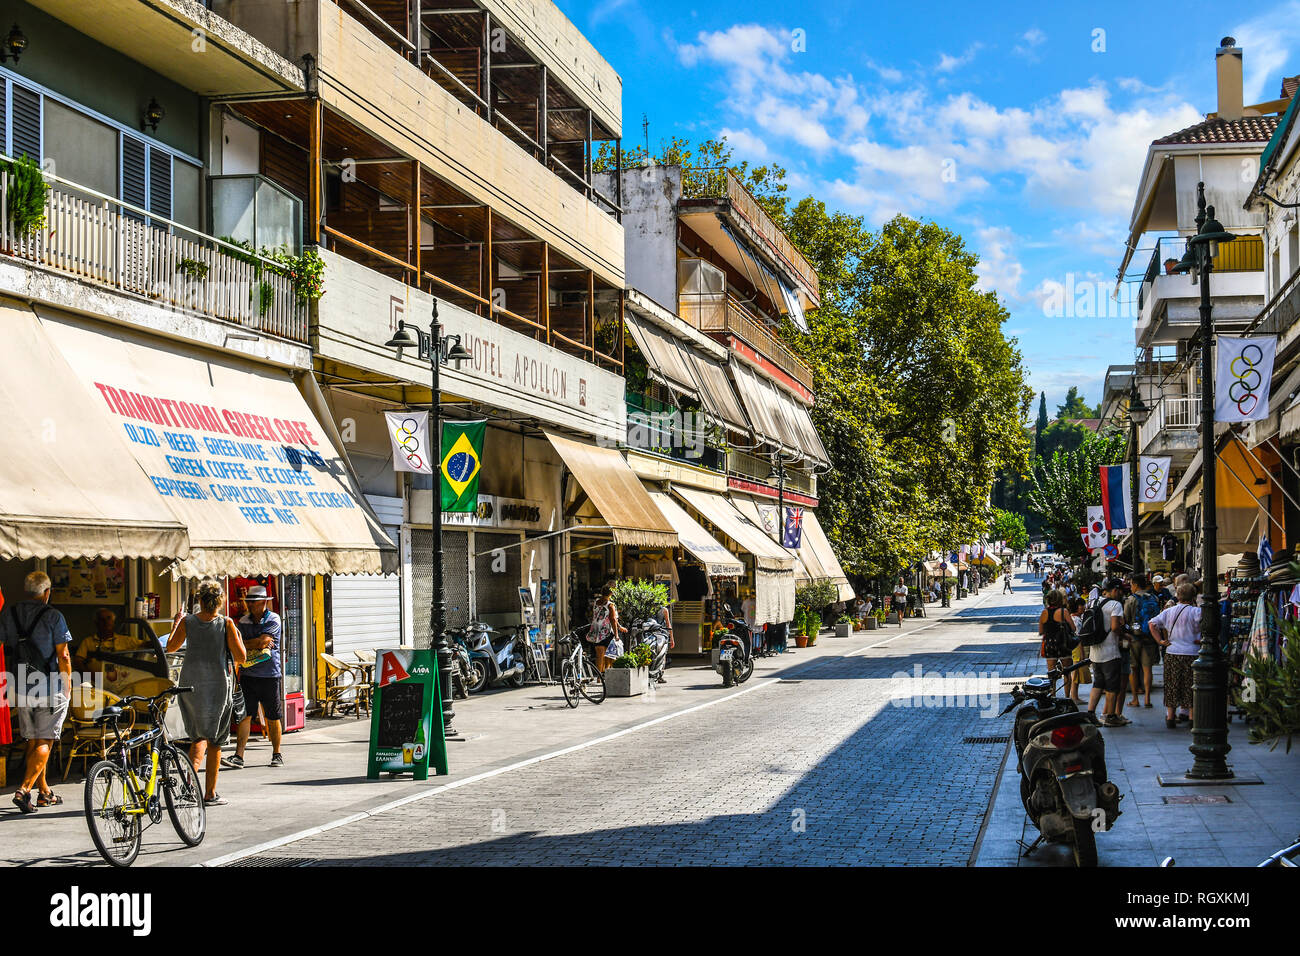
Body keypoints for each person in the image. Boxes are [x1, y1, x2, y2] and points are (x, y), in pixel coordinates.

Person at [167, 580, 246, 806]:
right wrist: (236, 635)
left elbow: (171, 647)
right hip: (217, 686)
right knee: (215, 741)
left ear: (200, 600)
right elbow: (241, 657)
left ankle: (188, 788)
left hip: (190, 686)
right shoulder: (226, 623)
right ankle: (210, 793)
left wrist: (176, 623)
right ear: (220, 602)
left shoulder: (188, 621)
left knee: (197, 736)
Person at [1, 572, 74, 812]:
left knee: (33, 739)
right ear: (47, 592)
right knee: (46, 740)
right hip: (49, 685)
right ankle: (24, 790)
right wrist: (68, 685)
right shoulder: (53, 615)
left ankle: (44, 793)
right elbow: (63, 655)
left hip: (21, 684)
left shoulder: (9, 613)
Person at [227, 585, 285, 769]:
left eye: (253, 602)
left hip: (269, 675)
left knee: (273, 716)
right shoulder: (243, 621)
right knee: (245, 715)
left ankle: (277, 754)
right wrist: (255, 643)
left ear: (263, 602)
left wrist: (248, 644)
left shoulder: (273, 618)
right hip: (248, 674)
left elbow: (264, 642)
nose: (250, 605)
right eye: (249, 602)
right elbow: (238, 644)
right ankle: (239, 756)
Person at [1148, 583, 1200, 729]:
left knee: (1172, 684)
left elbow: (1152, 624)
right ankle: (1192, 716)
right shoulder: (1197, 612)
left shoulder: (1169, 612)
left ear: (1178, 596)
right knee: (1191, 685)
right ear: (1193, 597)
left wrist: (1160, 641)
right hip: (1192, 652)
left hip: (1172, 652)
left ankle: (1170, 716)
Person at [1088, 579, 1130, 727]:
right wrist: (1125, 636)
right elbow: (1114, 627)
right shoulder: (1115, 605)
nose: (1120, 594)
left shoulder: (1093, 602)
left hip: (1095, 651)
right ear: (1115, 590)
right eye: (1120, 591)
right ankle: (1111, 716)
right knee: (1112, 686)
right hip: (1110, 652)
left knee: (1097, 683)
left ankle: (1091, 714)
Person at [1124, 575, 1161, 710]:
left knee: (1133, 669)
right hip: (1150, 638)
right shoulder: (1154, 598)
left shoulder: (1131, 600)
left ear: (1134, 584)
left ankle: (1135, 699)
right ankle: (1147, 699)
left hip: (1134, 638)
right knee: (1147, 669)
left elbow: (1126, 619)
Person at [1038, 590, 1075, 682]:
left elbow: (1041, 631)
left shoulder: (1044, 612)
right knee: (1067, 672)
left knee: (1051, 674)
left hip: (1049, 645)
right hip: (1063, 644)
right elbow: (1073, 628)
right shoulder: (1064, 611)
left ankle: (1053, 694)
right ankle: (1067, 695)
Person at [588, 584, 625, 673]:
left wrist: (619, 626)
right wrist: (616, 634)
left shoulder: (596, 602)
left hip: (596, 631)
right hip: (606, 631)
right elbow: (613, 620)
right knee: (609, 655)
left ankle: (599, 677)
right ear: (611, 593)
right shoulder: (610, 605)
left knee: (599, 655)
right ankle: (607, 673)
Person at [1066, 597, 1089, 702]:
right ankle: (1074, 696)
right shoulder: (1076, 620)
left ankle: (1074, 696)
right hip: (1077, 649)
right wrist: (1082, 653)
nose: (1084, 607)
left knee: (1076, 673)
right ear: (1077, 607)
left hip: (1074, 648)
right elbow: (1078, 638)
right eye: (1082, 605)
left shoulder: (1073, 618)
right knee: (1076, 673)